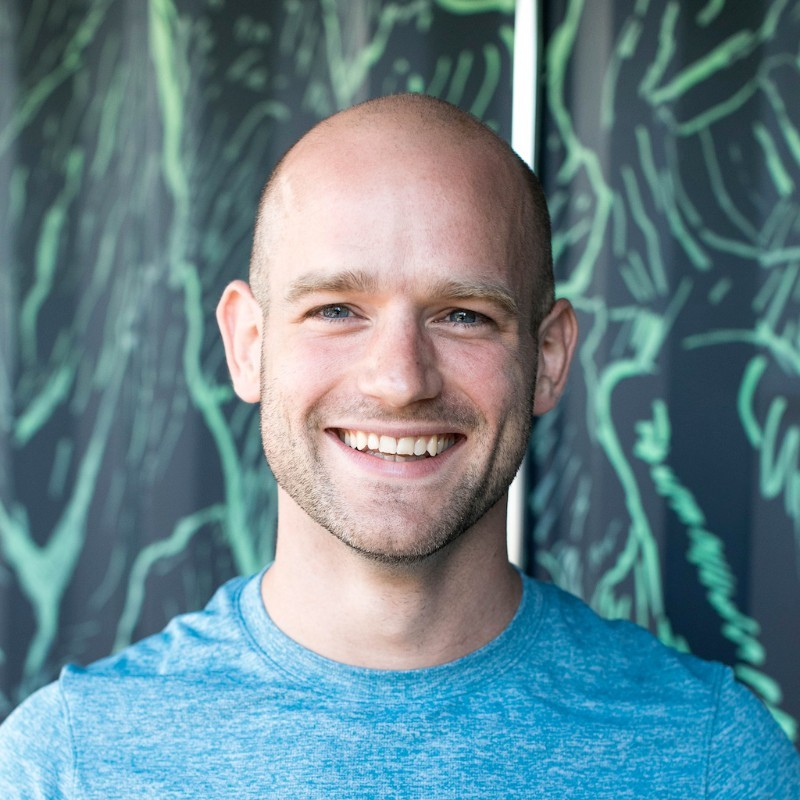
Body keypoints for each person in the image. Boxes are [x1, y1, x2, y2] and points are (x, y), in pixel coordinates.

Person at [0, 93, 797, 798]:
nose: (400, 380)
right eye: (336, 309)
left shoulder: (709, 757)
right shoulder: (67, 764)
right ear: (247, 344)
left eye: (464, 315)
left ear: (549, 359)